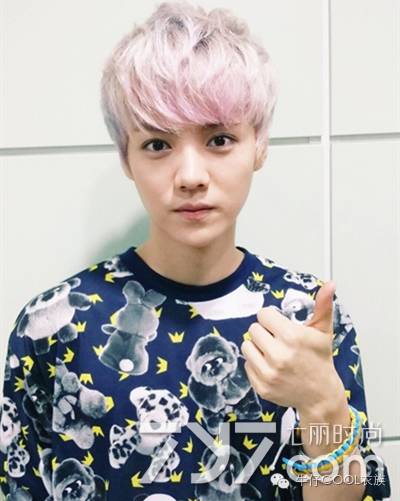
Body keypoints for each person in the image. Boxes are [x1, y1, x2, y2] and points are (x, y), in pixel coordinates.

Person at [0, 2, 392, 500]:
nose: (190, 176)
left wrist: (323, 407)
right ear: (126, 157)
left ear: (259, 146)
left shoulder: (305, 318)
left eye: (219, 139)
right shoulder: (54, 325)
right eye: (157, 145)